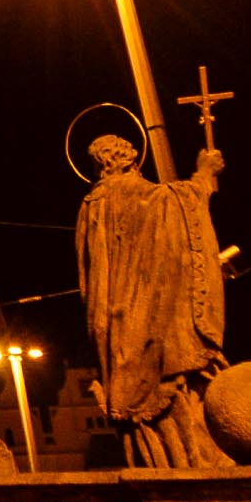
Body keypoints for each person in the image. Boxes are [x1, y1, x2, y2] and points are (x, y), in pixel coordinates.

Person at [76, 134, 231, 468]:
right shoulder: (137, 195)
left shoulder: (92, 204)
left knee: (145, 415)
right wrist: (204, 174)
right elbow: (181, 204)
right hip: (154, 328)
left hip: (117, 333)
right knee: (175, 399)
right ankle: (189, 464)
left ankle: (164, 460)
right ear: (133, 161)